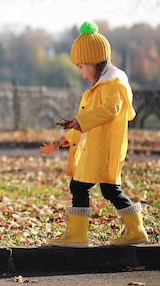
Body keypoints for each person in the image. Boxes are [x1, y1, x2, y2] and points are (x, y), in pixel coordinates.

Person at [48, 21, 148, 247]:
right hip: (96, 147)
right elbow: (88, 118)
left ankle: (79, 236)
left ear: (95, 62)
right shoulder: (100, 86)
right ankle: (135, 230)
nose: (81, 73)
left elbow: (111, 110)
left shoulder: (112, 84)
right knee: (109, 189)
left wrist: (80, 122)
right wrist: (70, 136)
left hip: (104, 149)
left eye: (82, 66)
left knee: (83, 186)